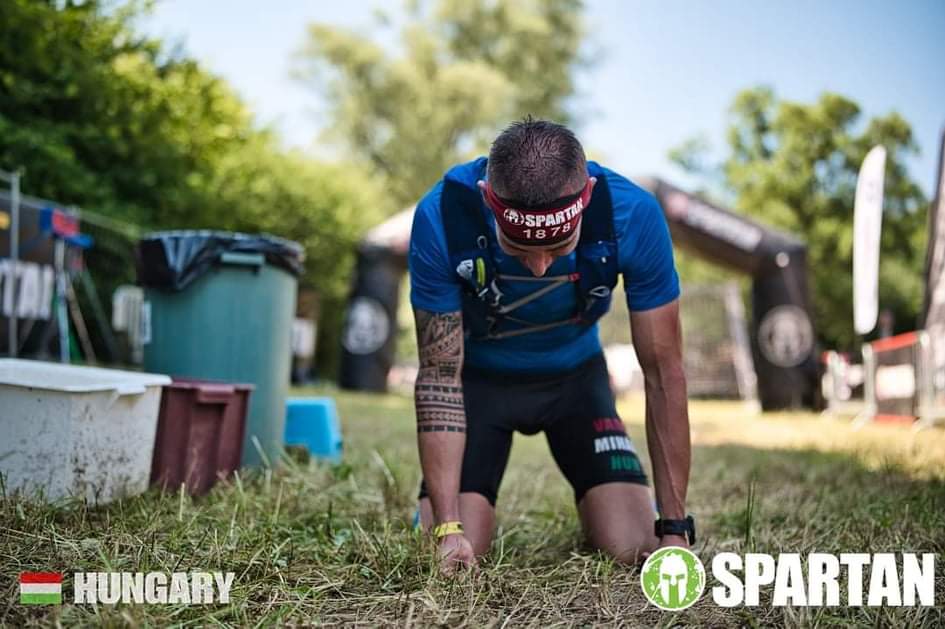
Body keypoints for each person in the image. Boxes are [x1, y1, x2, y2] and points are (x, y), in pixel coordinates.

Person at [408, 118, 692, 573]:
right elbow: (439, 375)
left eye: (559, 247)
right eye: (518, 248)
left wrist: (675, 528)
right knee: (453, 558)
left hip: (575, 379)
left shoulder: (632, 213)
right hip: (479, 384)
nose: (539, 267)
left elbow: (664, 374)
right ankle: (433, 507)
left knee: (633, 547)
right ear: (487, 198)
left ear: (585, 203)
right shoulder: (442, 214)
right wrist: (447, 528)